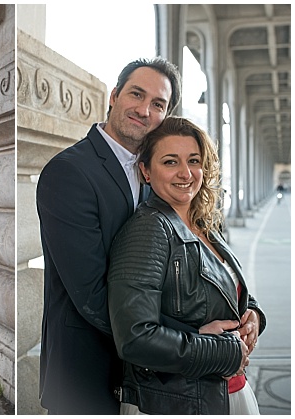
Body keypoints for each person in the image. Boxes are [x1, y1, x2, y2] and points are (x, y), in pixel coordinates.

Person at [36, 57, 182, 414]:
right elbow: (90, 293)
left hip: (142, 377)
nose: (144, 110)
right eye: (136, 94)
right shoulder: (69, 172)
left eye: (158, 104)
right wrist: (187, 339)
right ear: (114, 95)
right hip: (84, 374)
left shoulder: (155, 172)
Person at [107, 117, 266, 414]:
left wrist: (254, 315)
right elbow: (135, 338)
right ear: (146, 171)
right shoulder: (149, 229)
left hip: (225, 392)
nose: (186, 173)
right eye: (170, 162)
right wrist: (223, 352)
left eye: (193, 160)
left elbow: (225, 289)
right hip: (178, 402)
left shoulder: (204, 226)